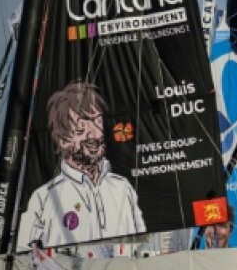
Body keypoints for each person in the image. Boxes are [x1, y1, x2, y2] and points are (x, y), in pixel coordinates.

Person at [15, 81, 145, 251]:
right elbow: (23, 255)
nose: (94, 135)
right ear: (62, 140)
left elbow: (143, 247)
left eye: (97, 123)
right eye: (80, 130)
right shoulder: (43, 198)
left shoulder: (123, 188)